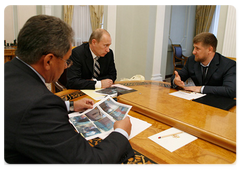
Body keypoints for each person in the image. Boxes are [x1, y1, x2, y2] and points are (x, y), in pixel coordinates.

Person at [2, 15, 134, 164]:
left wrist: (70, 105)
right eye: (66, 61)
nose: (66, 66)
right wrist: (121, 132)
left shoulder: (7, 70)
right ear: (48, 61)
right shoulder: (39, 105)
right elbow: (90, 162)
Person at [171, 32, 237, 99]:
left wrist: (201, 89)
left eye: (197, 48)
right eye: (194, 48)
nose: (193, 52)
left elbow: (231, 90)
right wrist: (175, 81)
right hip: (197, 101)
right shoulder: (191, 60)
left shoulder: (229, 65)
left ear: (209, 50)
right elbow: (179, 76)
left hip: (219, 103)